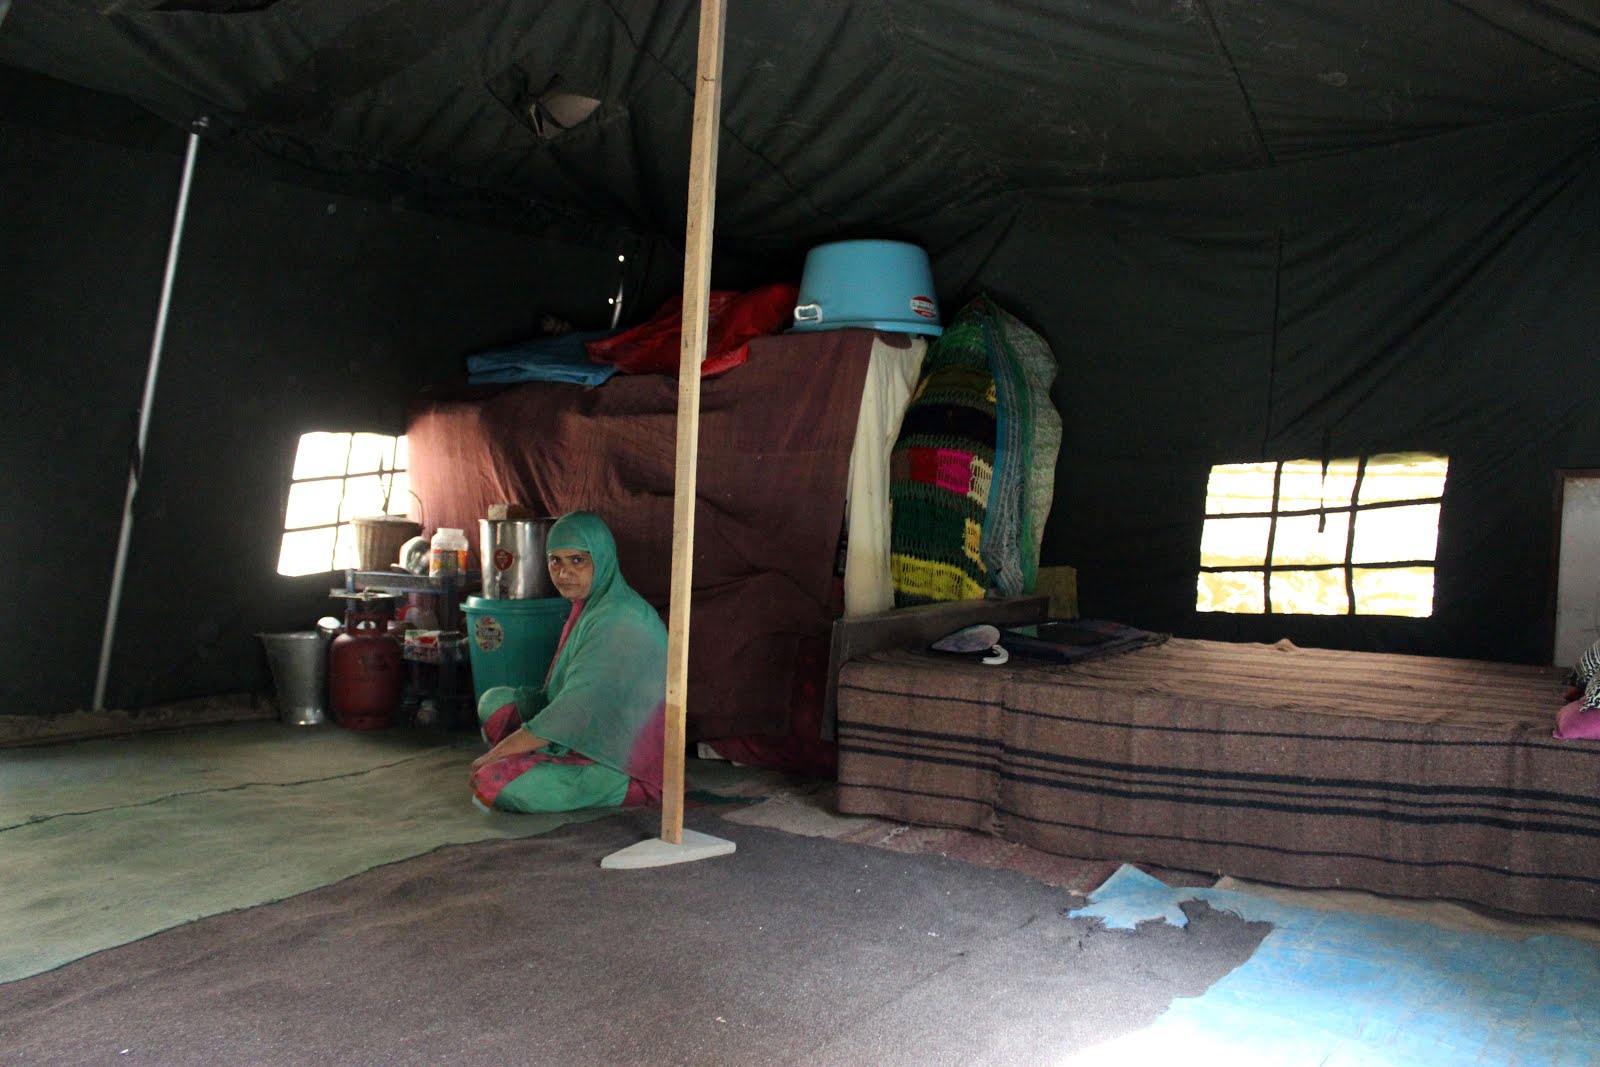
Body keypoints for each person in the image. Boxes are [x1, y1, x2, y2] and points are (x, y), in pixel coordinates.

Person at [468, 511, 666, 812]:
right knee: (494, 703)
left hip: (620, 757)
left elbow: (570, 712)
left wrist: (492, 757)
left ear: (602, 558)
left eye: (577, 560)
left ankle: (617, 787)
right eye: (555, 561)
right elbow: (564, 701)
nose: (563, 573)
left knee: (501, 785)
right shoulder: (595, 604)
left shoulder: (620, 619)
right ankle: (540, 756)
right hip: (587, 727)